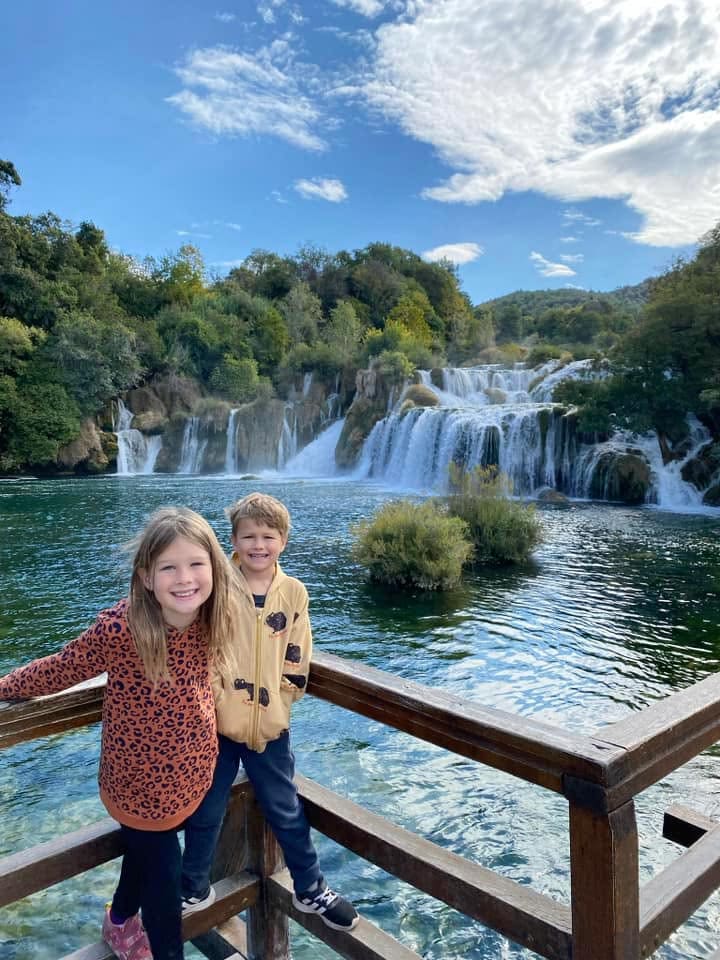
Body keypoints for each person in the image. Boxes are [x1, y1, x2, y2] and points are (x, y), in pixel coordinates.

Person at [0, 507, 242, 960]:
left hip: (192, 773)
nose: (185, 578)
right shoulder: (123, 627)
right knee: (166, 888)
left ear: (215, 567)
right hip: (138, 786)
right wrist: (5, 686)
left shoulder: (216, 616)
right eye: (168, 567)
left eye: (196, 564)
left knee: (144, 859)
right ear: (146, 577)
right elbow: (62, 668)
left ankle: (117, 921)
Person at [181, 492, 359, 932]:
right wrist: (218, 697)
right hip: (218, 727)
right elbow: (205, 645)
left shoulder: (294, 591)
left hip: (272, 726)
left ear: (283, 540)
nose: (258, 545)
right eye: (249, 536)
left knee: (286, 810)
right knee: (206, 809)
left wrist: (285, 695)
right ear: (234, 540)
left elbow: (299, 650)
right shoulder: (219, 584)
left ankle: (310, 887)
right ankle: (192, 887)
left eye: (268, 536)